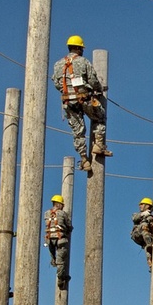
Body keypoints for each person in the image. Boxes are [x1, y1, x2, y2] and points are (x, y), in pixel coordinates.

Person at [52, 35, 112, 172]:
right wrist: (98, 90)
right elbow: (93, 80)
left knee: (78, 132)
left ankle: (84, 160)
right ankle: (99, 144)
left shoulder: (58, 64)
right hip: (84, 98)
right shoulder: (83, 62)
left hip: (68, 101)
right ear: (79, 48)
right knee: (100, 116)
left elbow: (56, 84)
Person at [44, 194, 73, 289]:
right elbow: (68, 225)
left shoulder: (46, 213)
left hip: (49, 239)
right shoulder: (63, 214)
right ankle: (61, 279)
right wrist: (69, 230)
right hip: (61, 239)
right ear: (59, 204)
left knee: (54, 255)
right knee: (61, 260)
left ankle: (53, 259)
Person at [131, 197, 153, 270]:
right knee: (144, 225)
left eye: (142, 204)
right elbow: (134, 218)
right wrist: (143, 214)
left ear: (148, 206)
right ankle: (149, 244)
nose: (140, 206)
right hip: (137, 234)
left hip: (146, 237)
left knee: (149, 250)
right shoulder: (137, 214)